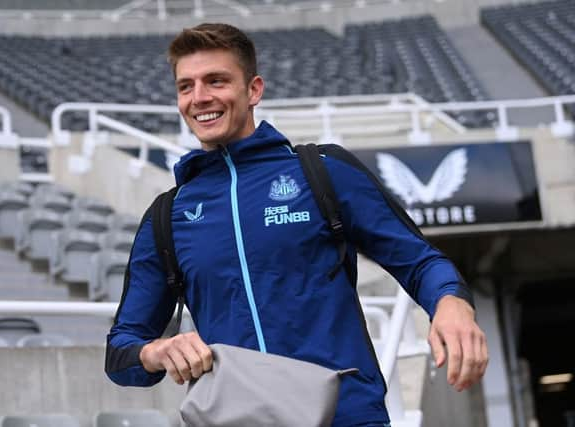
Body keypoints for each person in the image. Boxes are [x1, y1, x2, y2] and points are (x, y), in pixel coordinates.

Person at [105, 23, 488, 426]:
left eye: (216, 81)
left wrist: (451, 304)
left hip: (347, 416)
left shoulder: (322, 172)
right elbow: (121, 352)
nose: (200, 98)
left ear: (253, 90)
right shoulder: (167, 215)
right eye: (186, 86)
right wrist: (158, 352)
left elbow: (421, 261)